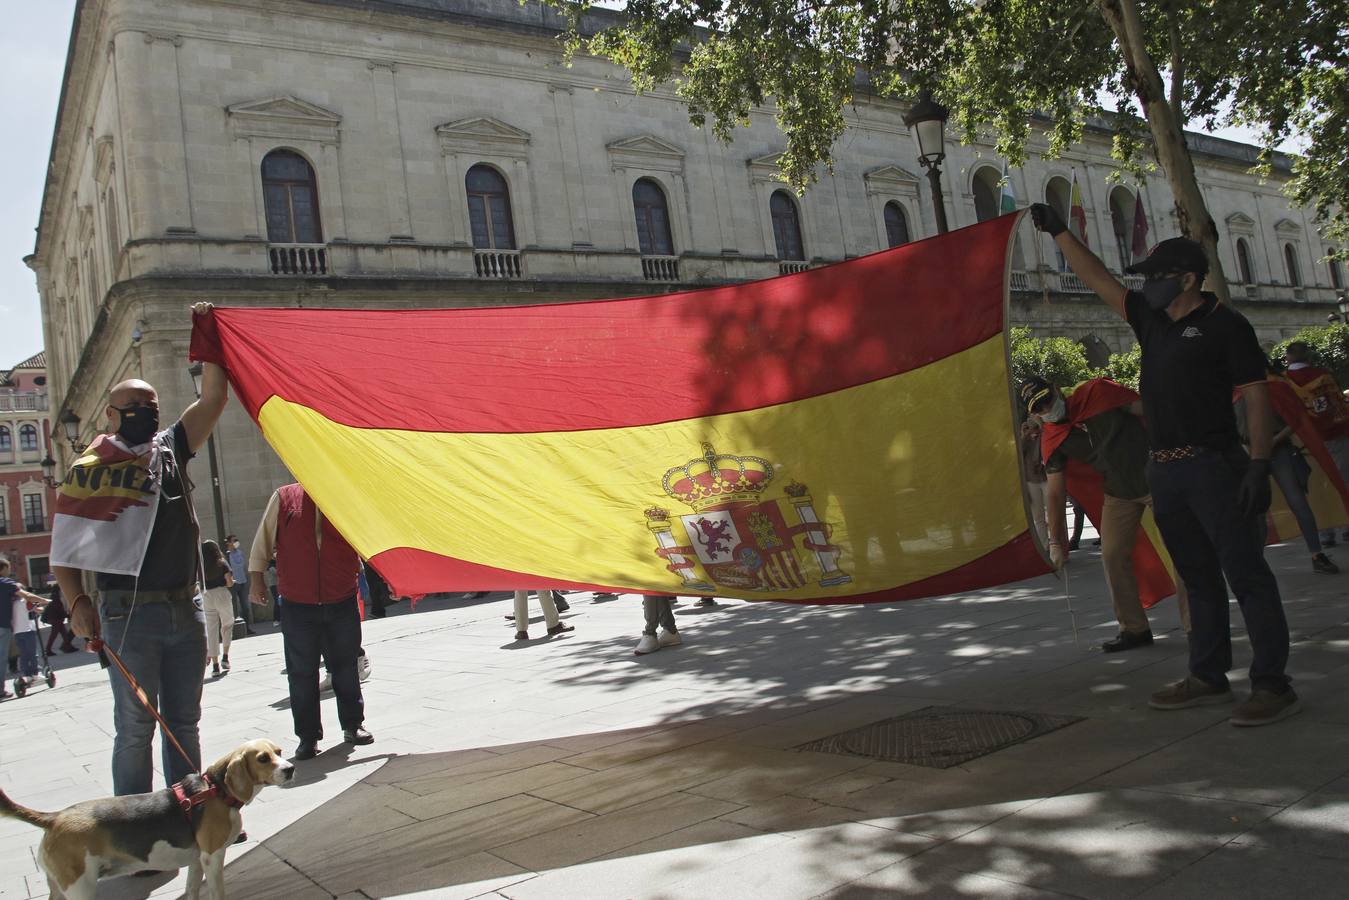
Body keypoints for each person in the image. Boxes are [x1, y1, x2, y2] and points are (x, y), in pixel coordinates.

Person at [1031, 205, 1298, 726]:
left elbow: (1258, 395)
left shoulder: (1228, 326)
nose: (1148, 285)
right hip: (1166, 472)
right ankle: (1208, 675)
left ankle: (1272, 683)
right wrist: (1059, 232)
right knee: (1196, 578)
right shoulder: (1151, 323)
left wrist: (1260, 463)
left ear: (1188, 279)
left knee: (1247, 575)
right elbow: (1100, 279)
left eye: (1158, 277)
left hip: (1215, 466)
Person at [53, 304, 228, 792]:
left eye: (150, 405)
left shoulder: (170, 447)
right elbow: (64, 548)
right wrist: (77, 602)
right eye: (132, 407)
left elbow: (213, 399)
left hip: (184, 608)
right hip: (127, 615)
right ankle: (132, 828)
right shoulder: (90, 469)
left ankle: (187, 811)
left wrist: (208, 334)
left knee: (184, 722)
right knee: (135, 727)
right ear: (110, 415)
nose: (144, 414)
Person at [1022, 376, 1191, 651]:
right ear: (1034, 413)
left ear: (1056, 389)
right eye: (1039, 407)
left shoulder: (1097, 394)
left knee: (1181, 550)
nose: (1046, 407)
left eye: (1047, 399)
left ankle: (1196, 625)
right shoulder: (1053, 437)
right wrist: (1056, 543)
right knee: (1112, 555)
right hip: (1117, 493)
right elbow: (1054, 493)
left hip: (1156, 480)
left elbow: (1149, 409)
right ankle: (1133, 628)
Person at [249, 483, 372, 760]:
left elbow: (367, 537)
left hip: (340, 596)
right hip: (298, 602)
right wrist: (256, 578)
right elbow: (264, 540)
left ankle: (354, 725)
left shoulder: (344, 495)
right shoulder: (284, 497)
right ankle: (307, 737)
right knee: (301, 673)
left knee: (345, 667)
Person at [1281, 341, 1349, 546]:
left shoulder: (1283, 381)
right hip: (1335, 434)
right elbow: (1338, 405)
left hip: (1303, 439)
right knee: (1342, 479)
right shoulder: (1323, 376)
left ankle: (1325, 531)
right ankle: (1346, 524)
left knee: (1316, 486)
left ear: (1288, 357)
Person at [1, 560, 49, 697]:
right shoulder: (12, 589)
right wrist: (45, 602)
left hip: (15, 631)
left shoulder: (12, 601)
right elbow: (30, 601)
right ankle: (34, 673)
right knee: (30, 652)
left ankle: (26, 673)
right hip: (19, 629)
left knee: (22, 653)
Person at [201, 540, 235, 677]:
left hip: (207, 596)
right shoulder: (222, 562)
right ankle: (225, 658)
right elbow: (229, 583)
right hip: (221, 593)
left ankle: (215, 666)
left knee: (211, 629)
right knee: (227, 624)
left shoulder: (201, 566)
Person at [1020, 416, 1049, 546]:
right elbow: (1018, 451)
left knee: (1054, 514)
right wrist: (1025, 434)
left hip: (1047, 478)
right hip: (1031, 480)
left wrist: (1042, 427)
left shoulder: (1045, 435)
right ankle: (1044, 546)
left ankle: (1059, 546)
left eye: (1036, 427)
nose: (1034, 430)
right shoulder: (1026, 440)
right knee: (1038, 517)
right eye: (1032, 427)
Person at [224, 534, 255, 635]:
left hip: (242, 582)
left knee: (245, 607)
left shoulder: (240, 553)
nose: (237, 542)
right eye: (234, 540)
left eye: (237, 540)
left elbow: (243, 566)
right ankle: (233, 629)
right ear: (229, 543)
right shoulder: (227, 555)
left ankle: (246, 628)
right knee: (232, 607)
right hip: (232, 583)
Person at [40, 585, 79, 655]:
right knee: (54, 635)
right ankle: (48, 650)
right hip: (55, 619)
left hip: (55, 619)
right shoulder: (57, 600)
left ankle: (67, 646)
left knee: (63, 633)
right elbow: (60, 611)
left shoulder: (55, 598)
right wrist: (67, 615)